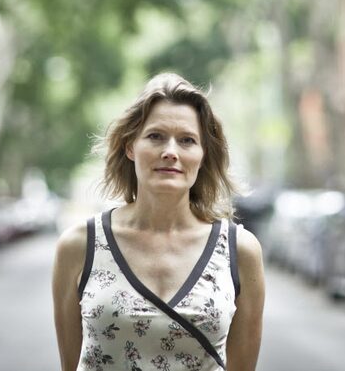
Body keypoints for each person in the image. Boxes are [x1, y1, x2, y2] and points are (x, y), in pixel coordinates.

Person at [53, 73, 265, 371]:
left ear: (203, 155)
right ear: (130, 147)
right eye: (155, 136)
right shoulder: (79, 245)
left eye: (187, 140)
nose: (170, 152)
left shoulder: (240, 250)